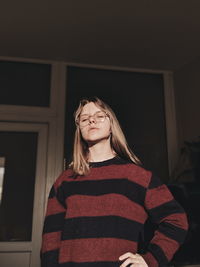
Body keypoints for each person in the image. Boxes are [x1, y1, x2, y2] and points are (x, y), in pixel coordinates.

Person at [41, 97, 188, 267]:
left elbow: (176, 220)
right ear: (79, 128)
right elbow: (50, 241)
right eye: (84, 118)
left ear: (112, 125)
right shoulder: (65, 181)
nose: (92, 120)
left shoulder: (137, 177)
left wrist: (150, 260)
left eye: (99, 115)